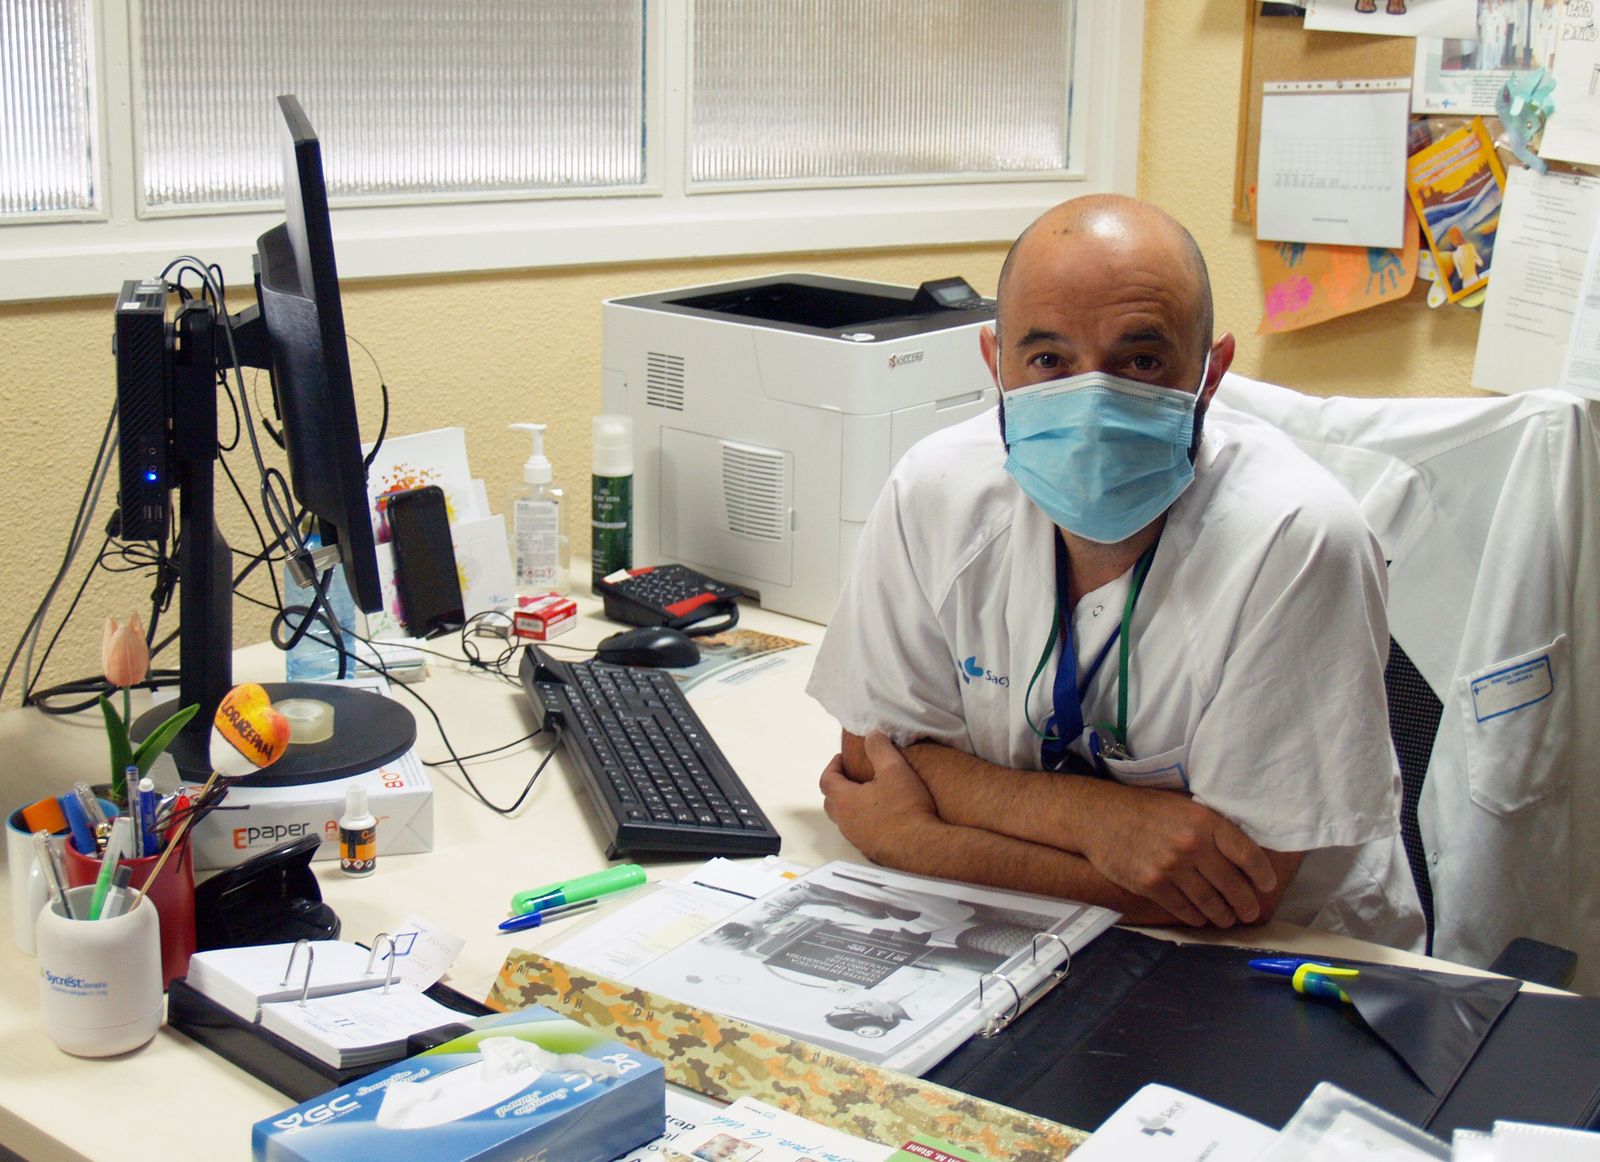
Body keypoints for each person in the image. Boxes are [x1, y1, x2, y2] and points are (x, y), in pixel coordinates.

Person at [806, 194, 1424, 950]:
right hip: (1012, 941)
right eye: (1048, 360)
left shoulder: (1297, 538)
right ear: (995, 364)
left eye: (1140, 360)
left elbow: (1237, 889)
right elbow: (872, 760)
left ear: (1211, 371)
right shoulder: (936, 490)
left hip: (1281, 965)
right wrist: (1098, 818)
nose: (1092, 397)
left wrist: (922, 844)